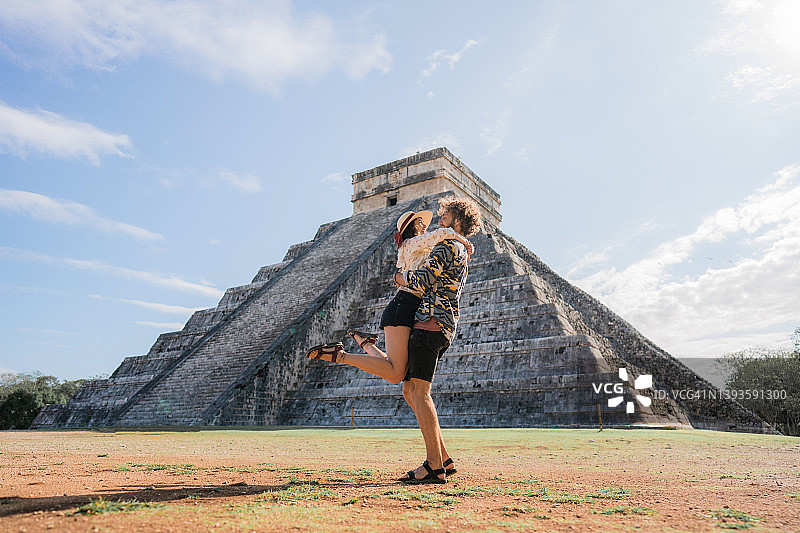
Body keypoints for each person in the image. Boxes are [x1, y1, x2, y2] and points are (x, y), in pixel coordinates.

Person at [307, 196, 482, 484]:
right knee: (409, 392)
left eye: (446, 216)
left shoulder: (448, 245)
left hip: (429, 324)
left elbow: (420, 282)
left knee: (419, 393)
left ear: (458, 219)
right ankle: (444, 460)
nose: (440, 221)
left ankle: (434, 466)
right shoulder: (455, 246)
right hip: (437, 323)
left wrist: (399, 279)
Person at [305, 208, 474, 385]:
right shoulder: (410, 243)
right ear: (410, 228)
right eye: (419, 222)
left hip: (415, 309)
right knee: (396, 374)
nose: (425, 225)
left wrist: (460, 248)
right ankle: (339, 355)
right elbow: (442, 234)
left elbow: (441, 250)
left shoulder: (425, 246)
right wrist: (463, 240)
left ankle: (366, 344)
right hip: (403, 306)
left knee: (399, 370)